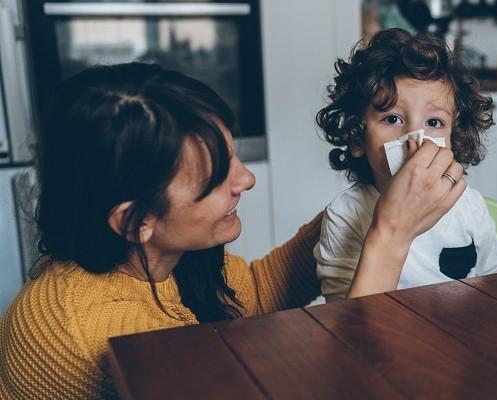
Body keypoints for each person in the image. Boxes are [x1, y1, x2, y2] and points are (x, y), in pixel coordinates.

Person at [0, 62, 465, 399]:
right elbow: (349, 386)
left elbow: (259, 290)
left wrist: (368, 207)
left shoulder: (168, 261)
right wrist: (390, 233)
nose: (246, 179)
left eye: (234, 155)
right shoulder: (102, 334)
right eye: (216, 177)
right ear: (135, 222)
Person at [314, 28, 497, 302]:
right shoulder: (344, 215)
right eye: (392, 119)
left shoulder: (470, 206)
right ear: (357, 138)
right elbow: (342, 318)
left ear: (454, 140)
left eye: (434, 122)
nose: (414, 138)